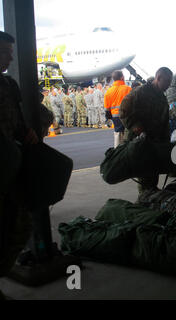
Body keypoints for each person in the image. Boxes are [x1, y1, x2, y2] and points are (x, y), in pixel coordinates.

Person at [0, 31, 38, 299]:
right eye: (5, 52)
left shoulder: (8, 85)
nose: (10, 57)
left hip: (9, 167)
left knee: (19, 226)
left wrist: (27, 132)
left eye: (11, 52)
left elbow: (18, 120)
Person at [119, 67, 172, 201]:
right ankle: (144, 204)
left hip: (154, 142)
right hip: (140, 142)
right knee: (145, 177)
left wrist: (166, 142)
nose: (168, 85)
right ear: (158, 78)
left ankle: (150, 199)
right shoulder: (141, 92)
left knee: (153, 175)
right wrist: (137, 129)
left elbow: (164, 120)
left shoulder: (161, 97)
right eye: (166, 82)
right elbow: (123, 111)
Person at [104, 70, 132, 148]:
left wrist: (108, 119)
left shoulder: (108, 91)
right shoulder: (128, 89)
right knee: (128, 137)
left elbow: (107, 109)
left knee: (118, 136)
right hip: (127, 117)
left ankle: (117, 153)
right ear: (122, 77)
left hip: (115, 117)